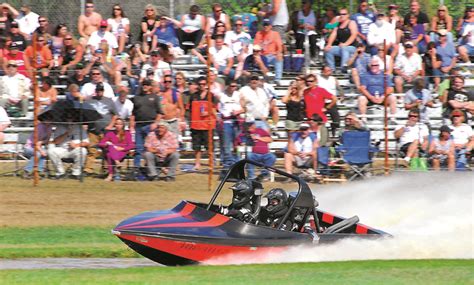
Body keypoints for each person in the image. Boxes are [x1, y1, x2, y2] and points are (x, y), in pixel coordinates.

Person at [83, 83, 118, 175]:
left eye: (101, 90)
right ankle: (88, 169)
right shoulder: (90, 101)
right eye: (98, 90)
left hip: (105, 130)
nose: (99, 92)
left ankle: (107, 169)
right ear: (95, 91)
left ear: (103, 91)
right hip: (93, 129)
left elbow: (115, 115)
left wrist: (110, 125)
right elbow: (85, 114)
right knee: (91, 150)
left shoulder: (109, 101)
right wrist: (85, 123)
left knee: (106, 150)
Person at [130, 79, 163, 170]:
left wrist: (155, 123)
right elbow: (133, 113)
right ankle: (136, 168)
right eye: (143, 84)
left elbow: (160, 113)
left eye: (147, 85)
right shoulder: (136, 98)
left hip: (150, 126)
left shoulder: (155, 97)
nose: (145, 86)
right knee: (138, 148)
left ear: (150, 87)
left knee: (151, 148)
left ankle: (151, 167)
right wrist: (132, 125)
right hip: (139, 126)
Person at [188, 77, 217, 170]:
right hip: (196, 125)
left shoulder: (211, 96)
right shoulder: (193, 96)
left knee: (209, 147)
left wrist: (207, 113)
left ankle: (211, 163)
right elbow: (189, 109)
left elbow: (215, 110)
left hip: (207, 126)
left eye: (204, 84)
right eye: (200, 84)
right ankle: (197, 163)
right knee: (197, 146)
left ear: (207, 85)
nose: (202, 86)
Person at [48, 114, 90, 179]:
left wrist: (76, 145)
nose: (69, 120)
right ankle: (60, 173)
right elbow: (55, 142)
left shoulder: (79, 127)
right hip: (62, 149)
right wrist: (67, 133)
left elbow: (87, 142)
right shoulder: (60, 127)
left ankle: (76, 173)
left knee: (83, 151)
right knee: (51, 151)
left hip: (75, 150)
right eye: (68, 118)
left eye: (71, 118)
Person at [218, 81, 243, 171]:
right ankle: (227, 165)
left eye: (235, 86)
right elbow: (215, 108)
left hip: (236, 122)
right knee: (226, 145)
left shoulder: (238, 95)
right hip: (226, 122)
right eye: (231, 86)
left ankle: (238, 163)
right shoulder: (221, 95)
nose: (233, 88)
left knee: (237, 145)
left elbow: (244, 108)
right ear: (227, 86)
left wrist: (238, 112)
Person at [324, 8, 358, 72]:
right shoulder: (338, 24)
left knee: (344, 48)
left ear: (348, 15)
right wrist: (329, 45)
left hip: (352, 48)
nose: (342, 15)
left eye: (344, 14)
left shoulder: (351, 22)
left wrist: (346, 44)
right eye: (340, 14)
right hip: (341, 47)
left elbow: (354, 34)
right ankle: (332, 69)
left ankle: (343, 69)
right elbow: (333, 34)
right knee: (328, 50)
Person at [253, 18, 283, 84]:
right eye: (264, 25)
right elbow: (255, 47)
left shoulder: (275, 34)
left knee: (280, 56)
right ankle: (265, 78)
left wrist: (278, 53)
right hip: (261, 55)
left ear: (270, 26)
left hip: (272, 55)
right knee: (257, 58)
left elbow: (280, 47)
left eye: (267, 25)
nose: (265, 26)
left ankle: (277, 79)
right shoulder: (259, 34)